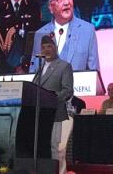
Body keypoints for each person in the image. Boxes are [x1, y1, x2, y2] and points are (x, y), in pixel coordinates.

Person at [30, 0, 99, 73]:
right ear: (51, 7)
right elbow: (34, 73)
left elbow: (94, 74)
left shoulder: (87, 31)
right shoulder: (40, 35)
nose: (67, 2)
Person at [32, 35, 73, 174]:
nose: (46, 50)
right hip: (39, 114)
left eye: (49, 46)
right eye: (43, 47)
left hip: (55, 113)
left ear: (55, 48)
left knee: (54, 148)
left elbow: (68, 91)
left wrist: (52, 98)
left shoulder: (64, 66)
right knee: (40, 147)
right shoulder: (40, 67)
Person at [0, 0, 41, 80]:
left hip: (28, 69)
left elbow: (36, 39)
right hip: (5, 69)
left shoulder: (33, 6)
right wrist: (12, 68)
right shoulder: (0, 9)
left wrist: (24, 66)